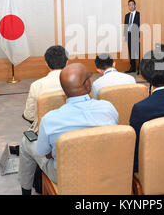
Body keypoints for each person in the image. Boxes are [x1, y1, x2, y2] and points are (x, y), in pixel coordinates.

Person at [18, 63, 118, 195]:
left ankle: (25, 191)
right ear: (88, 85)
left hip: (65, 175)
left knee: (26, 141)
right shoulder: (108, 107)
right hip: (104, 168)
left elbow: (45, 153)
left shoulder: (49, 119)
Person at [22, 45, 68, 132]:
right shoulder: (77, 83)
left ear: (46, 63)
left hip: (45, 131)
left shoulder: (36, 85)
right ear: (67, 62)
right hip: (70, 129)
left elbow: (29, 115)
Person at [124, 0, 140, 73]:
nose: (131, 6)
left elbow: (140, 26)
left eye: (132, 4)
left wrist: (140, 37)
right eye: (129, 5)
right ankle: (132, 67)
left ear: (135, 5)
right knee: (131, 53)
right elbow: (125, 27)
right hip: (129, 35)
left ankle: (140, 68)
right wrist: (125, 36)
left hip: (136, 36)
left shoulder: (139, 14)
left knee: (138, 52)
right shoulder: (127, 16)